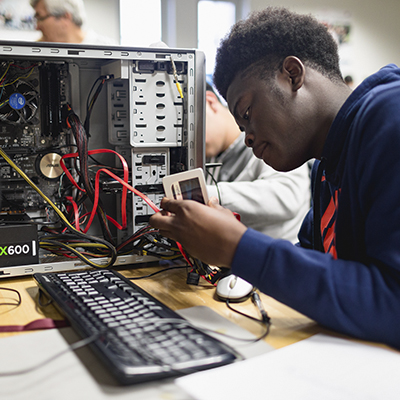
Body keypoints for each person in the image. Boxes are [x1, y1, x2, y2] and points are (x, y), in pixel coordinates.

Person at [150, 7, 400, 350]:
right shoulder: (329, 164)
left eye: (248, 114)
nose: (248, 137)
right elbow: (314, 266)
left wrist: (237, 247)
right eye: (241, 127)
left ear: (292, 74)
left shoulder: (390, 116)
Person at [205, 83, 310, 243]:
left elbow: (287, 195)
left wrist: (211, 195)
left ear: (210, 102)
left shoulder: (267, 138)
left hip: (279, 256)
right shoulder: (212, 155)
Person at [30, 0, 116, 44]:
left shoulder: (109, 50)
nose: (37, 27)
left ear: (65, 17)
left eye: (40, 18)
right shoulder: (38, 52)